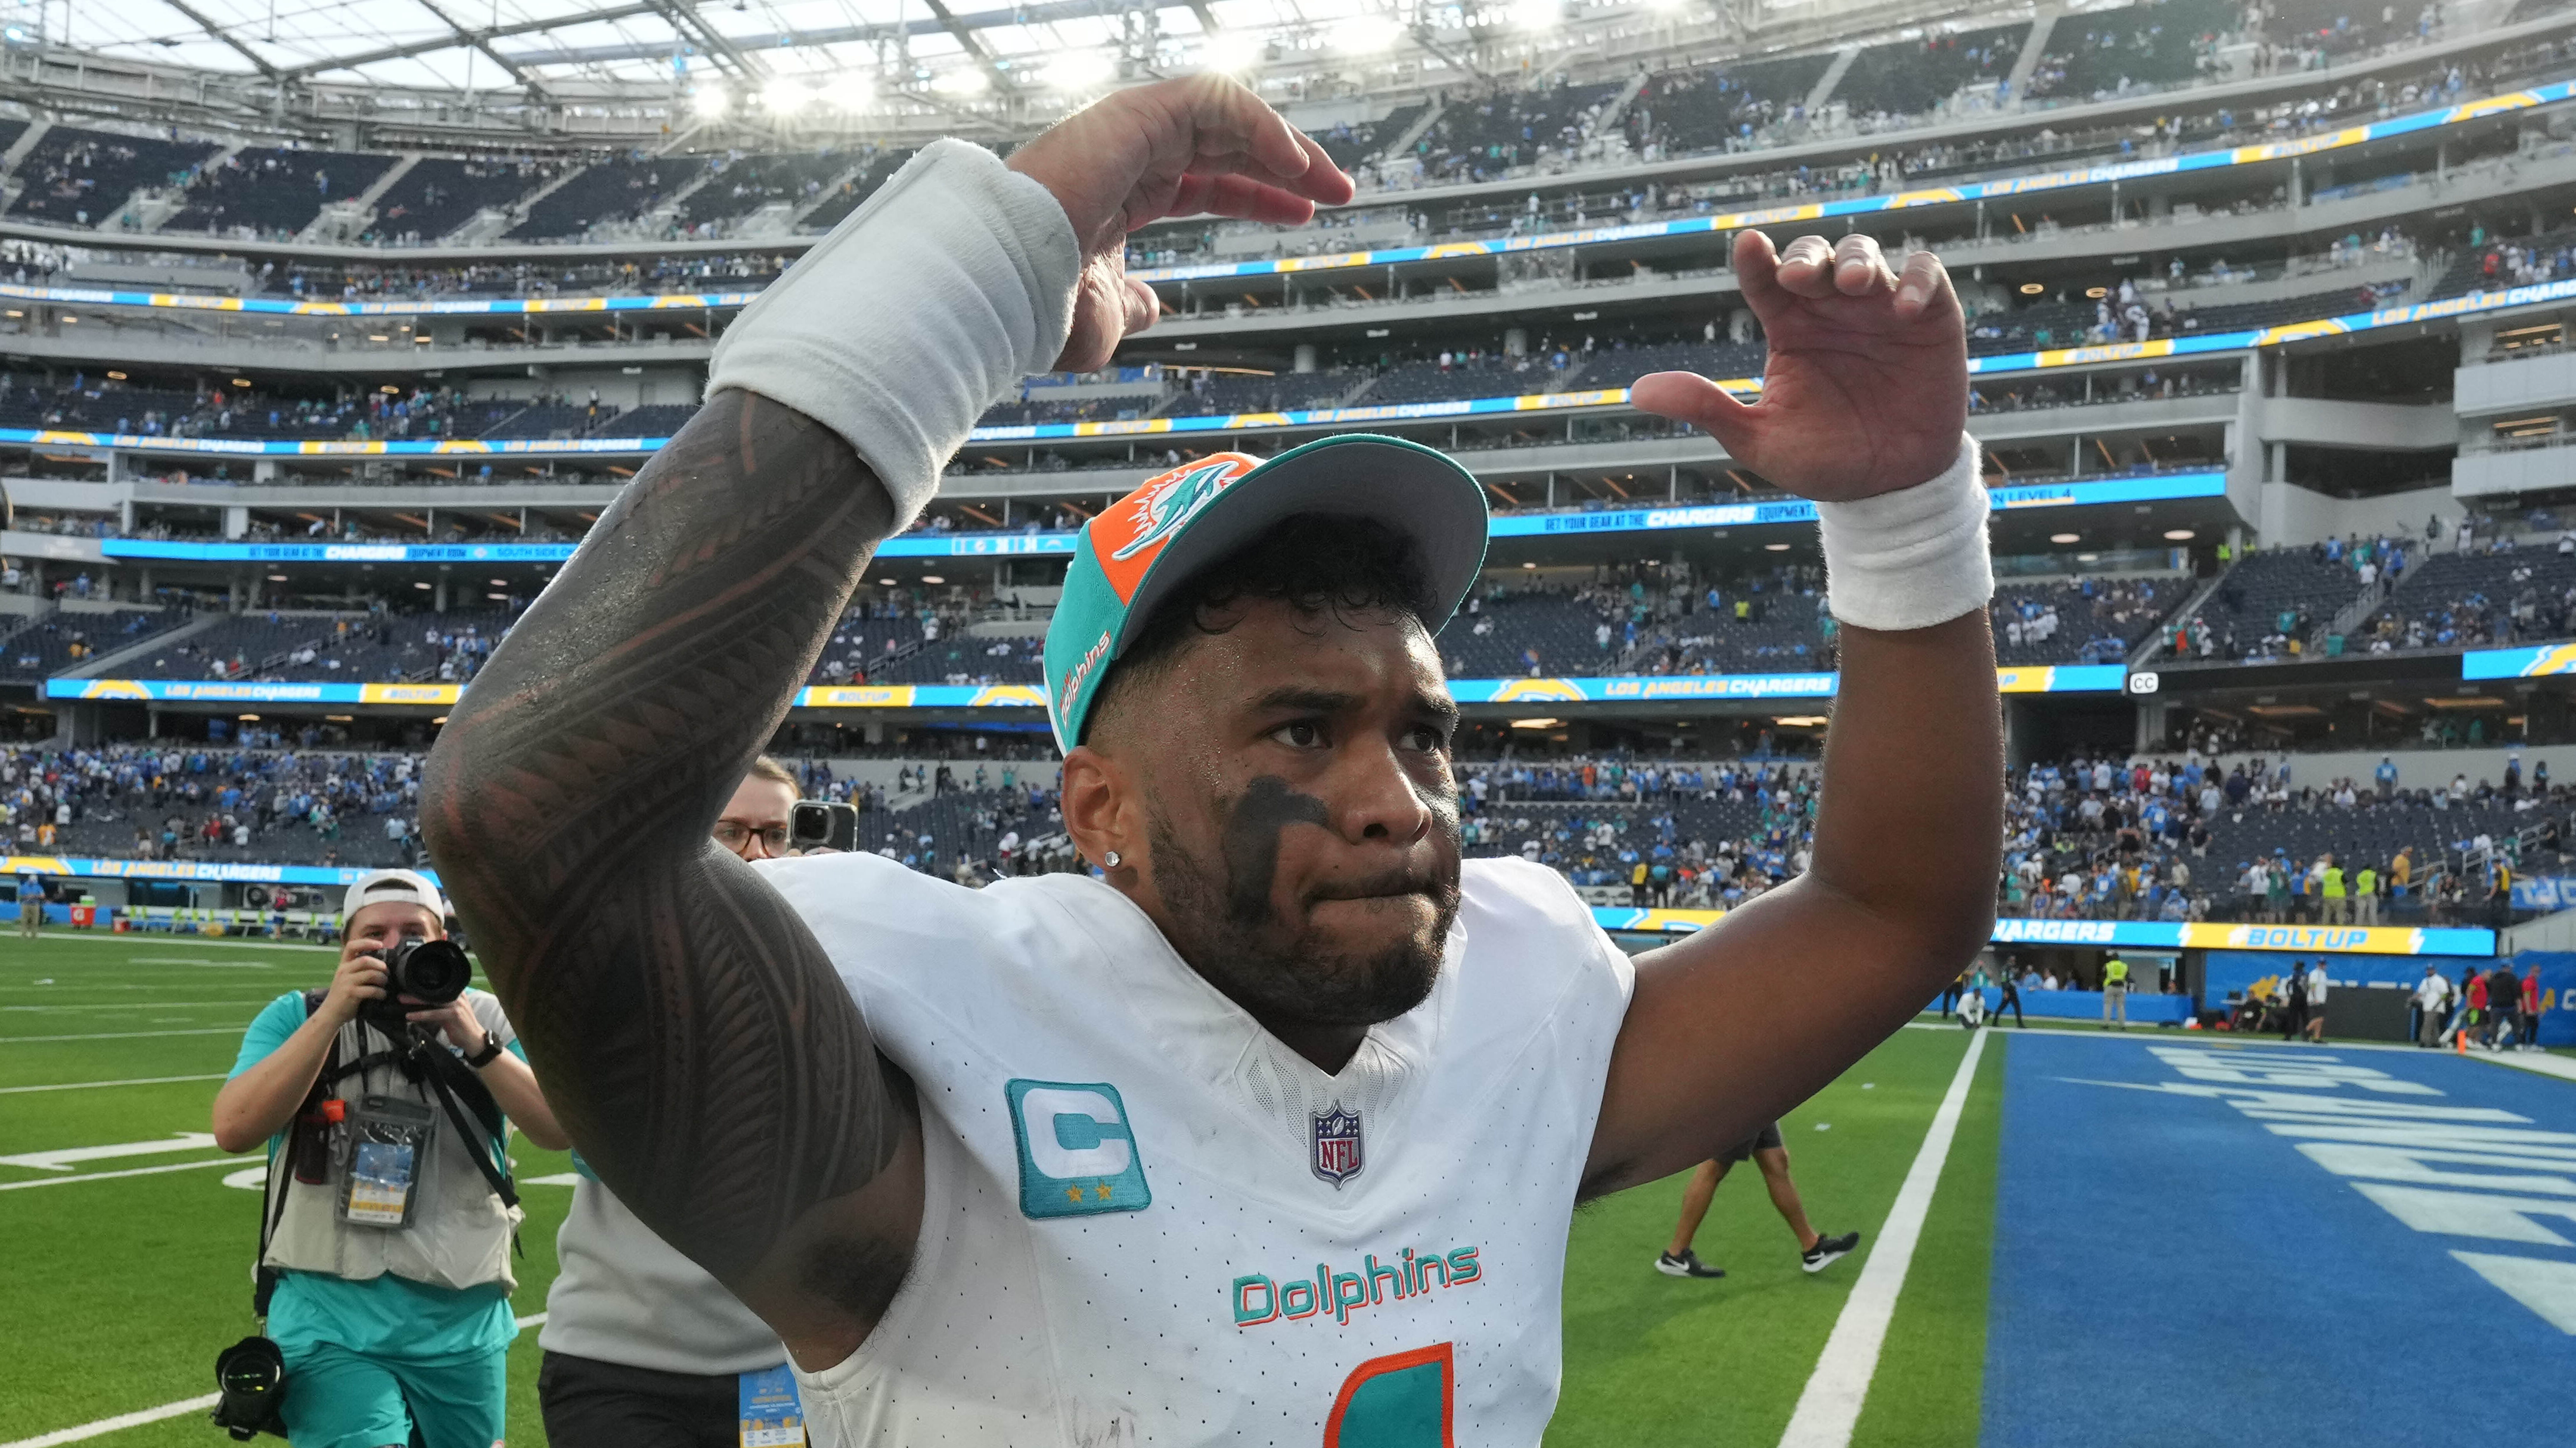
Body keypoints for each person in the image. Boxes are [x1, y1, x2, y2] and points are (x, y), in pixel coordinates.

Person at [421, 74, 2001, 1443]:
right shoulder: (943, 1058)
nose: (1399, 802)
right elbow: (533, 816)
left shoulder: (1510, 1001)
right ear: (1095, 807)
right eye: (1300, 730)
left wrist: (1908, 513)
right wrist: (981, 271)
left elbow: (1889, 912)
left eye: (1423, 731)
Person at [211, 869, 568, 1448]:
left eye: (414, 933)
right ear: (346, 943)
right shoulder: (298, 1016)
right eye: (375, 933)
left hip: (460, 1313)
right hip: (327, 1313)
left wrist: (474, 1042)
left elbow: (556, 1129)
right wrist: (332, 1017)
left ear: (443, 941)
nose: (394, 946)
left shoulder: (490, 1018)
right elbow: (234, 1128)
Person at [539, 760, 804, 1448]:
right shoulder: (619, 970)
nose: (756, 852)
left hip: (779, 1363)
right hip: (620, 1358)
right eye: (732, 831)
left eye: (778, 833)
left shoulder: (836, 973)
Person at [1653, 1123, 1863, 1281]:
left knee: (1776, 1161)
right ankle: (1676, 1254)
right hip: (1742, 1089)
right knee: (1715, 1165)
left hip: (1758, 1090)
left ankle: (1813, 1248)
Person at [2412, 965, 2451, 1047]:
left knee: (2428, 1024)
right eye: (2428, 970)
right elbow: (2421, 992)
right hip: (2427, 1006)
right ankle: (2436, 1042)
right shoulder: (2425, 981)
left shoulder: (2439, 980)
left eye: (2431, 970)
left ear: (2435, 971)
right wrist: (2412, 999)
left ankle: (2424, 1041)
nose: (2429, 972)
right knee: (2434, 1025)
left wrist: (2438, 1003)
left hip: (2436, 1006)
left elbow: (2445, 993)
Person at [2302, 960, 2330, 1043]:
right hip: (2315, 1000)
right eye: (2322, 964)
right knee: (2320, 1018)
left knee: (2319, 1020)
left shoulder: (2324, 974)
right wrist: (2315, 998)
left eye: (2324, 964)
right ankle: (2306, 1031)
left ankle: (2317, 1037)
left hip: (2321, 999)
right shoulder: (2315, 974)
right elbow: (2313, 986)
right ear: (2318, 965)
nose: (2323, 966)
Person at [2102, 953, 2131, 1029]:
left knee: (2108, 1006)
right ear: (2119, 958)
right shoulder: (2124, 966)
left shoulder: (2108, 965)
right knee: (2121, 1007)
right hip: (2121, 987)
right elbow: (2128, 977)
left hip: (2110, 986)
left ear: (2112, 958)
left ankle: (2106, 1024)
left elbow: (2104, 975)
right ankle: (2122, 1026)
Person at [14, 872, 41, 939]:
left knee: (35, 920)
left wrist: (35, 896)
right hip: (26, 904)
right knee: (24, 920)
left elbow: (43, 895)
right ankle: (24, 934)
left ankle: (34, 934)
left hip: (35, 904)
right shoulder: (24, 886)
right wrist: (27, 897)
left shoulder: (38, 886)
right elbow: (20, 896)